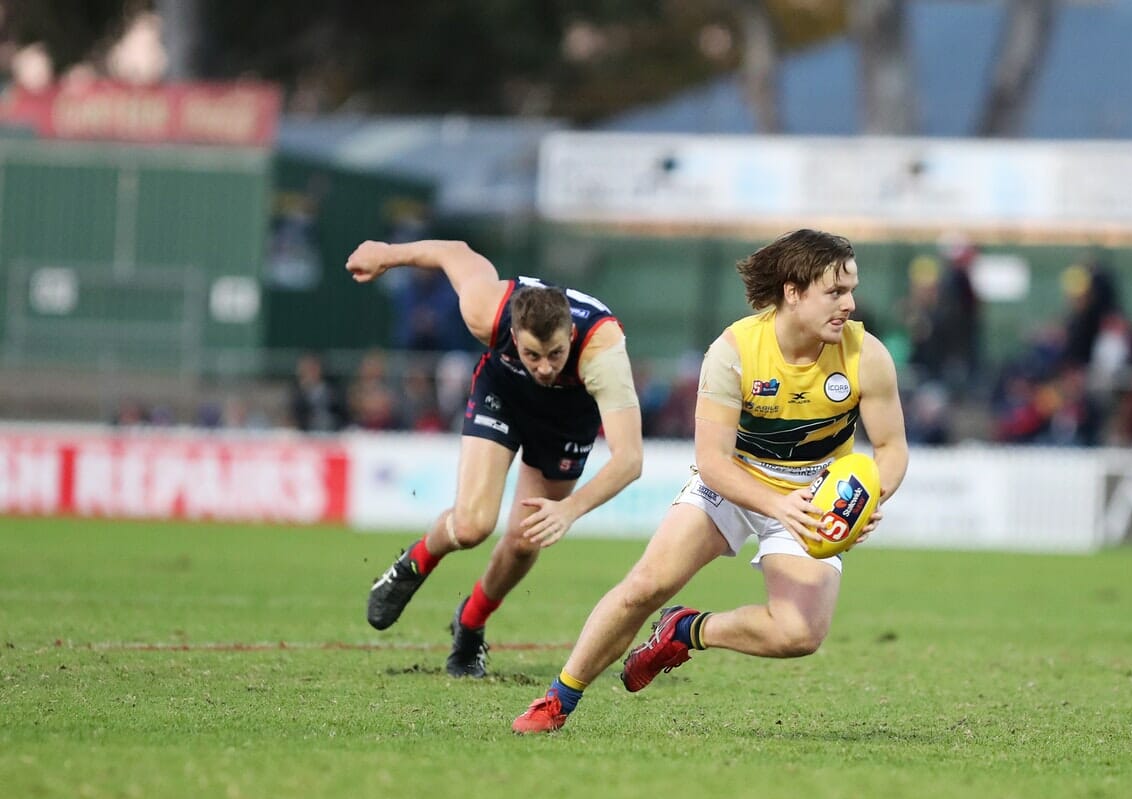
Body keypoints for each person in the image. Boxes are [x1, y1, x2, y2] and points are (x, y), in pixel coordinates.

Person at [511, 229, 909, 733]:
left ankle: (687, 631)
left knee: (799, 634)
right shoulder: (734, 351)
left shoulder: (865, 354)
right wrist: (777, 504)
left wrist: (869, 496)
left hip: (814, 495)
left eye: (851, 290)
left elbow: (892, 450)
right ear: (793, 292)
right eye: (836, 292)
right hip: (734, 481)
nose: (849, 304)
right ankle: (558, 700)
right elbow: (712, 461)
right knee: (645, 585)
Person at [345, 238, 643, 677]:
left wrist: (569, 510)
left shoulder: (603, 352)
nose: (544, 367)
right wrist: (387, 254)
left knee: (524, 542)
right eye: (532, 354)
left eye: (556, 354)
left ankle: (469, 624)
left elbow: (630, 459)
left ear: (572, 337)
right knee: (472, 526)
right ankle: (414, 563)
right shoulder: (488, 309)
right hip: (503, 394)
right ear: (513, 335)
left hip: (566, 421)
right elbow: (454, 252)